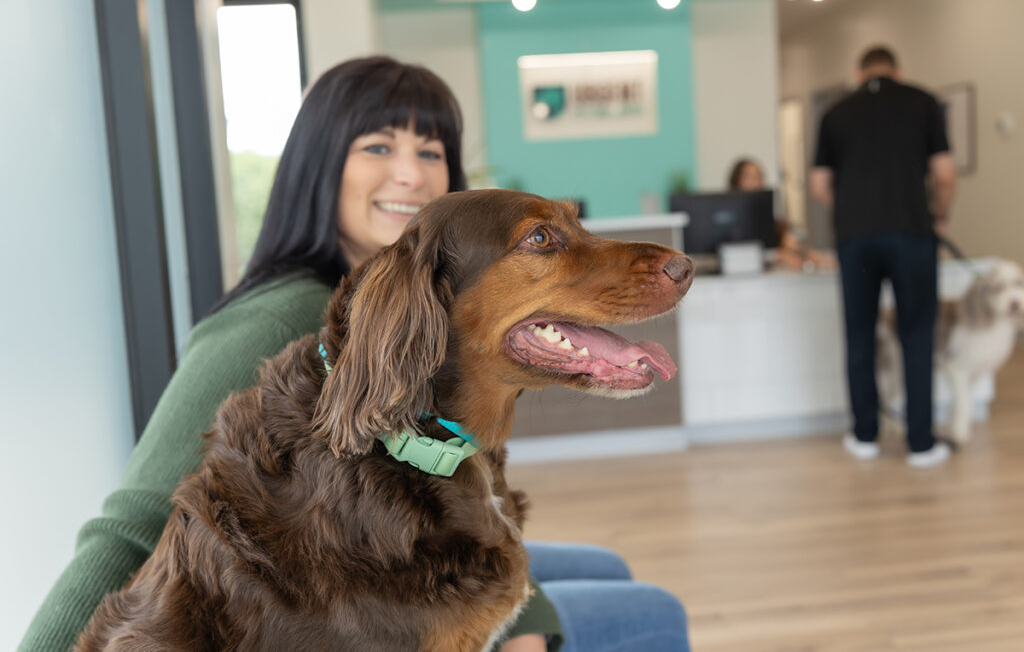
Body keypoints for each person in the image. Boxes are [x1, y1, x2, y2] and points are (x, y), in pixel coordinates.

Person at [20, 56, 688, 652]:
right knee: (652, 611)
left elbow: (465, 474)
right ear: (319, 167)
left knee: (609, 566)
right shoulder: (285, 318)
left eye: (431, 150)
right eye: (377, 145)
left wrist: (526, 612)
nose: (410, 171)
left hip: (420, 565)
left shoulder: (427, 308)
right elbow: (133, 526)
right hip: (344, 607)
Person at [810, 46, 957, 468]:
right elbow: (944, 176)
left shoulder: (836, 113)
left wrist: (852, 209)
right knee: (917, 335)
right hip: (913, 234)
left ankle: (865, 436)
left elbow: (820, 185)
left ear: (858, 73)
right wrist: (940, 218)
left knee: (859, 335)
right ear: (898, 69)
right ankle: (921, 444)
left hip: (856, 238)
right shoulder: (923, 102)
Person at [726, 157, 836, 272]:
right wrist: (779, 255)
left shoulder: (769, 218)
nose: (756, 182)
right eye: (750, 177)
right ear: (737, 181)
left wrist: (819, 259)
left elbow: (792, 245)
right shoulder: (730, 220)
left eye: (759, 177)